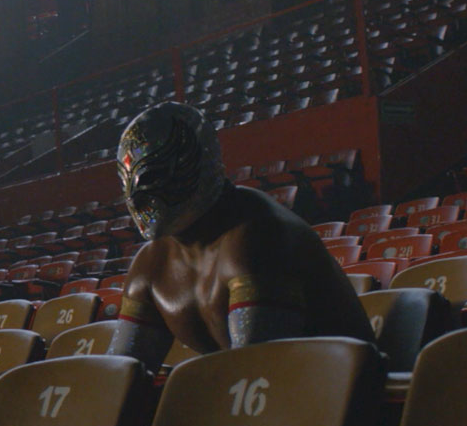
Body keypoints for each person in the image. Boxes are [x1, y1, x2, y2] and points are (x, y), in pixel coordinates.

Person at [111, 102, 374, 368]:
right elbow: (121, 375)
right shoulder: (150, 265)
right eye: (126, 183)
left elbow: (256, 371)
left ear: (192, 162)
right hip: (274, 387)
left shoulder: (260, 235)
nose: (135, 196)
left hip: (338, 385)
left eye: (151, 176)